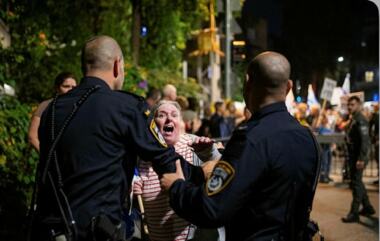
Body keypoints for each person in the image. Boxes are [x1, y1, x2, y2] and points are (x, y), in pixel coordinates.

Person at [30, 35, 183, 241]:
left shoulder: (52, 110)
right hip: (101, 230)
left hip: (53, 229)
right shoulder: (127, 107)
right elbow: (165, 160)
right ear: (117, 65)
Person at [160, 51, 320, 241]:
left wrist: (177, 187)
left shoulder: (250, 139)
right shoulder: (308, 137)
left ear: (247, 82)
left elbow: (212, 209)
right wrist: (220, 155)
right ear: (289, 87)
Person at [133, 100, 221, 241]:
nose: (169, 119)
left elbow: (223, 172)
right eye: (161, 115)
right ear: (152, 124)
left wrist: (210, 153)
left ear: (180, 122)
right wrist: (132, 192)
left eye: (174, 115)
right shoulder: (142, 156)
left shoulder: (194, 144)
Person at [341, 96, 375, 223]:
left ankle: (354, 213)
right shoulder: (354, 118)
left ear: (359, 105)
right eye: (349, 105)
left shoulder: (361, 120)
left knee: (355, 183)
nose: (350, 107)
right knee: (357, 182)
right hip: (354, 155)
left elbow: (365, 141)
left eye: (353, 104)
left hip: (359, 157)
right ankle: (368, 207)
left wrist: (361, 159)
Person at [28, 72, 77, 152]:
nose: (70, 90)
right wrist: (47, 156)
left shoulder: (80, 107)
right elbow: (32, 136)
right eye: (66, 86)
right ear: (57, 88)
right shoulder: (45, 106)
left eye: (74, 87)